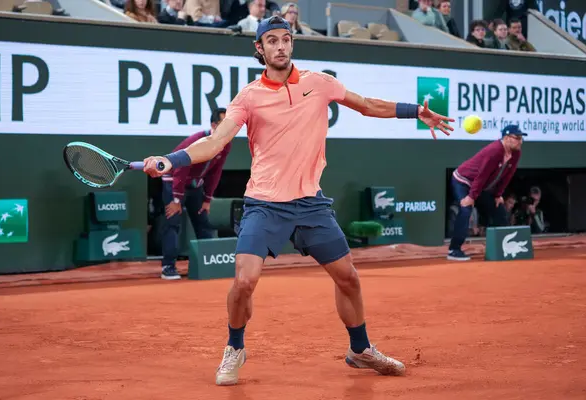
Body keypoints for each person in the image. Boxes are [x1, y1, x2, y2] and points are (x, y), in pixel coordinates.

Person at [142, 16, 454, 385]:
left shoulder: (319, 83)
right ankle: (235, 348)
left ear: (292, 44)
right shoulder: (248, 96)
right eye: (271, 40)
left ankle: (360, 349)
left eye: (285, 39)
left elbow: (367, 105)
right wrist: (172, 159)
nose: (279, 46)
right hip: (264, 203)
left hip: (310, 203)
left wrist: (417, 110)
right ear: (259, 49)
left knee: (348, 279)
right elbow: (215, 142)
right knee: (244, 281)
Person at [159, 108, 231, 280]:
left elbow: (215, 172)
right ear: (214, 125)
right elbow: (182, 168)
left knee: (203, 222)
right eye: (223, 124)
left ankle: (206, 264)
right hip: (174, 181)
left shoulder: (226, 143)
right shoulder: (197, 140)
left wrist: (207, 199)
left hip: (195, 185)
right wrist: (176, 198)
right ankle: (168, 267)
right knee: (173, 222)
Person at [448, 124, 526, 261]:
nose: (520, 141)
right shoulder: (494, 151)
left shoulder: (516, 153)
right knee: (466, 209)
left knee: (499, 210)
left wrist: (498, 195)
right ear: (506, 138)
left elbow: (507, 175)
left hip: (481, 186)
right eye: (517, 138)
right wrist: (471, 197)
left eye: (521, 138)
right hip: (463, 181)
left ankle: (501, 248)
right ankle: (454, 250)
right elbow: (482, 176)